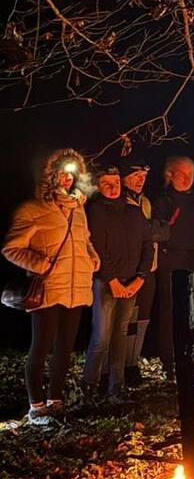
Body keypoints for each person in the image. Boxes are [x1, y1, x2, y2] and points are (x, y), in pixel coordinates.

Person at [3, 149, 100, 424]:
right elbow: (11, 248)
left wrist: (92, 258)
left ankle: (55, 402)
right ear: (49, 176)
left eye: (71, 174)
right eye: (62, 174)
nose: (68, 179)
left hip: (76, 287)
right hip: (48, 289)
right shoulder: (32, 209)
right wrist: (42, 265)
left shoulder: (78, 207)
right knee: (41, 347)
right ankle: (36, 406)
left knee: (65, 348)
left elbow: (85, 240)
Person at [84, 165, 153, 400]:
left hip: (131, 281)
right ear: (98, 185)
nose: (113, 188)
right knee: (101, 335)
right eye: (106, 184)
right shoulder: (96, 211)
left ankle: (117, 386)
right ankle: (90, 386)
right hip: (106, 283)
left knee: (121, 335)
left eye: (116, 182)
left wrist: (140, 277)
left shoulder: (133, 212)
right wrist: (111, 280)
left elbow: (147, 244)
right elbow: (97, 249)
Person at [153, 155, 194, 378]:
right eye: (182, 173)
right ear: (170, 174)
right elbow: (156, 231)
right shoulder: (163, 202)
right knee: (170, 311)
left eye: (191, 173)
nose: (187, 178)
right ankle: (171, 361)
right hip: (171, 261)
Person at [121, 160, 168, 386]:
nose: (141, 180)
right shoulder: (118, 202)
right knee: (125, 320)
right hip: (129, 270)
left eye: (144, 176)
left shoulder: (145, 202)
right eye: (135, 175)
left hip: (149, 268)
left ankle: (132, 363)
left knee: (142, 318)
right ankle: (118, 365)